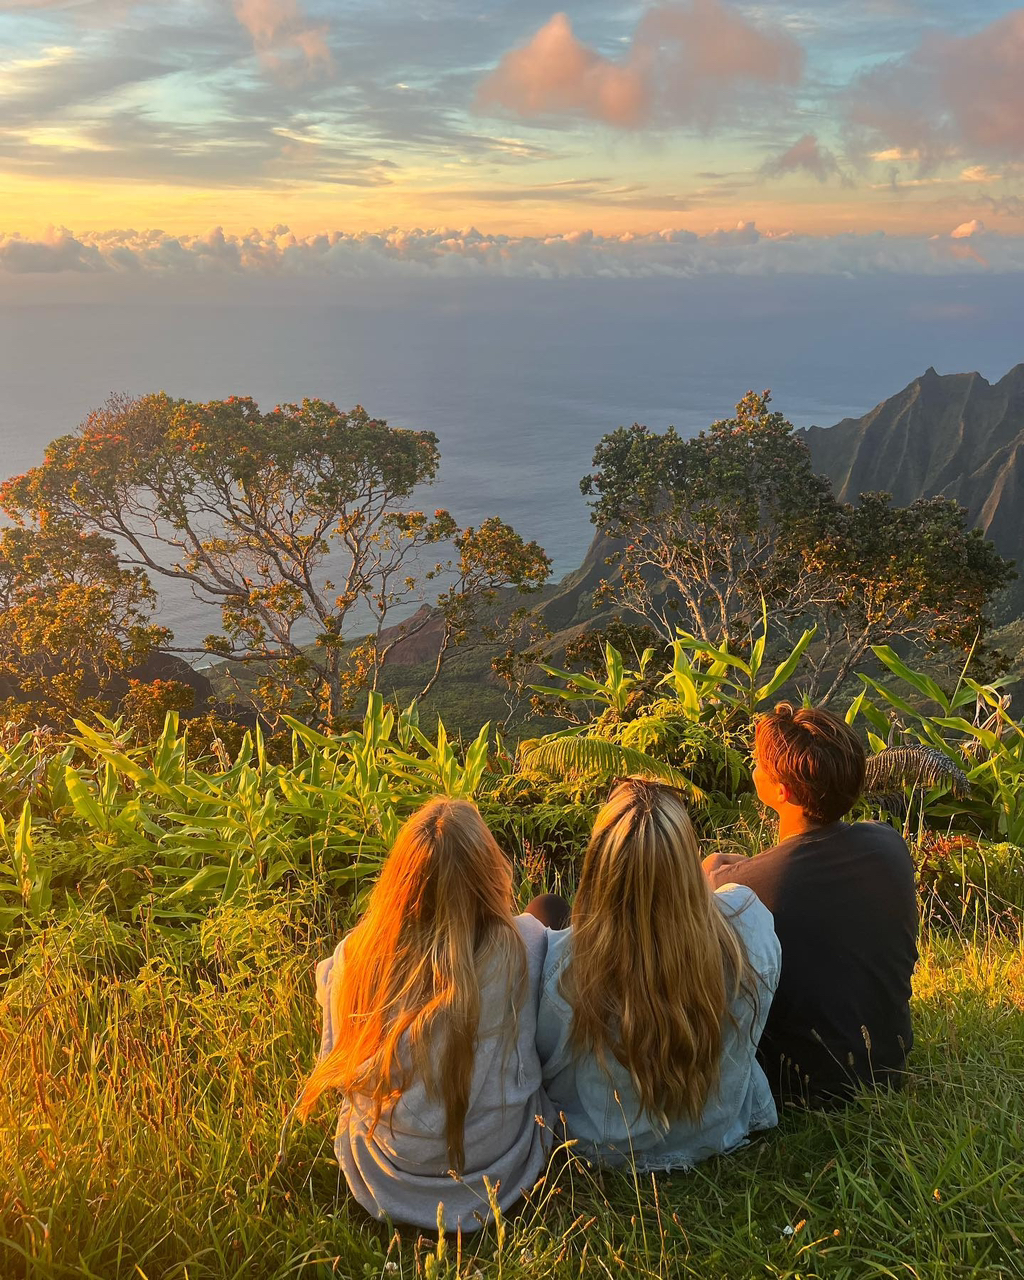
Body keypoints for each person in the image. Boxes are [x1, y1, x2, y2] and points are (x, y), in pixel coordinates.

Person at [297, 797, 553, 1232]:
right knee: (547, 903)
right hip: (501, 1169)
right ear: (489, 874)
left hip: (388, 1173)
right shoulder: (526, 946)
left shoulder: (354, 958)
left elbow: (338, 1046)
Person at [536, 778, 781, 1170]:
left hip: (602, 1148)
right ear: (689, 863)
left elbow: (546, 1065)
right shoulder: (748, 929)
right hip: (717, 1134)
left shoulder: (560, 969)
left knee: (544, 905)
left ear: (598, 868)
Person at [703, 703, 919, 1106]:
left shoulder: (740, 890)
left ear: (781, 791)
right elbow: (808, 873)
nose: (753, 770)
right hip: (889, 1064)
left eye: (758, 764)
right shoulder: (890, 845)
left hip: (798, 1085)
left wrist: (714, 869)